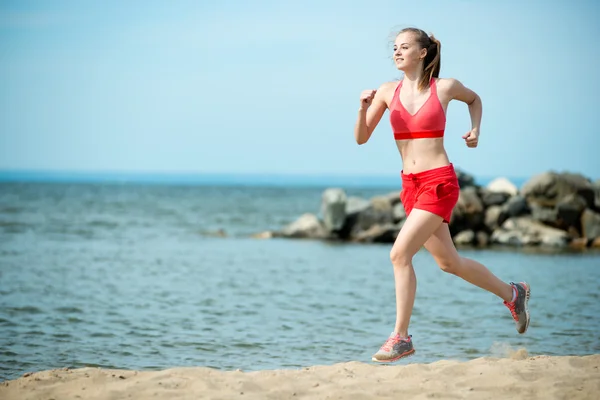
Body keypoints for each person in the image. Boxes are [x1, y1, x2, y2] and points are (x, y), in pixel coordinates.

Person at [353, 27, 531, 363]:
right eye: (394, 47)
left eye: (404, 47)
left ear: (423, 52)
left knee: (398, 254)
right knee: (449, 263)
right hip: (410, 185)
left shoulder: (444, 88)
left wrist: (476, 129)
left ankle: (401, 337)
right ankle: (513, 293)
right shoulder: (387, 92)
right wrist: (362, 108)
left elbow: (475, 99)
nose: (397, 52)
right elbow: (361, 137)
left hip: (438, 182)